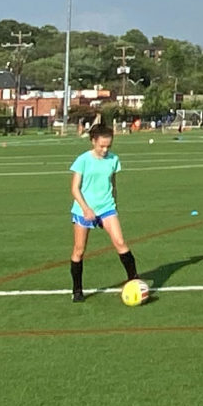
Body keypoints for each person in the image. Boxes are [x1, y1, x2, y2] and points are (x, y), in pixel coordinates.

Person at [68, 121, 143, 303]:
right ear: (93, 141)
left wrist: (114, 205)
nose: (105, 150)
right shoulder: (83, 160)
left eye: (108, 146)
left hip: (107, 208)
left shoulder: (113, 159)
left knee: (120, 242)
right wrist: (86, 209)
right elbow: (74, 188)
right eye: (102, 146)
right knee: (79, 250)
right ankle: (77, 290)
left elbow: (113, 184)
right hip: (84, 210)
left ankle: (134, 281)